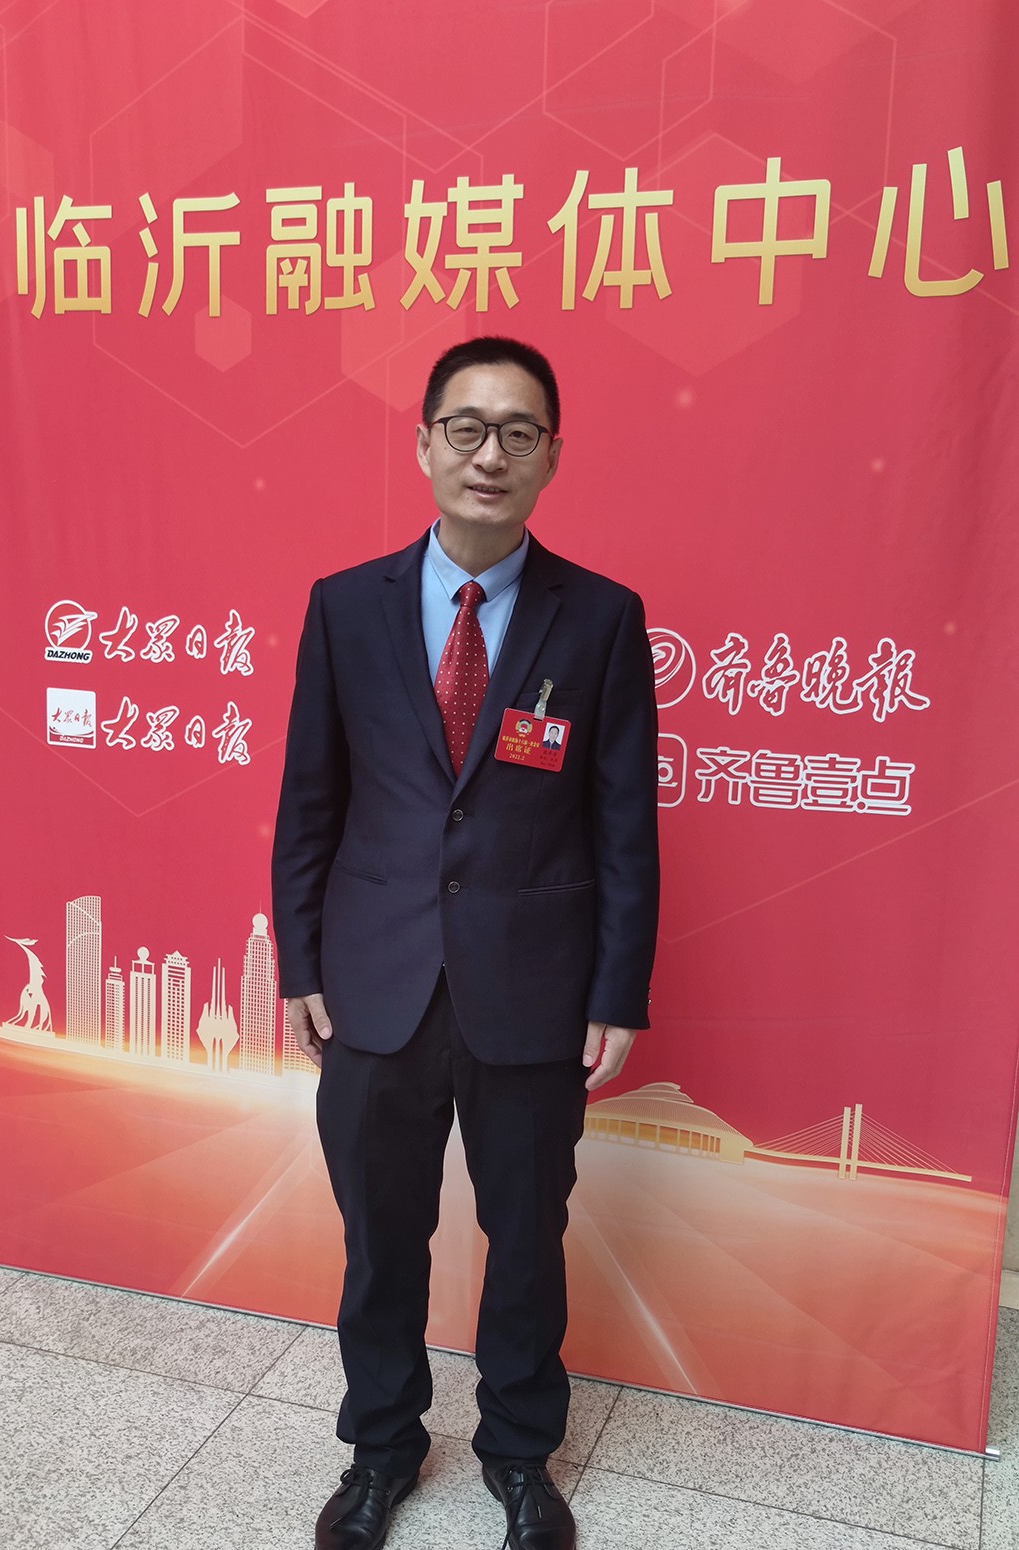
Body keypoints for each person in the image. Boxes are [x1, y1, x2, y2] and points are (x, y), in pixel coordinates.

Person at [272, 335, 659, 1550]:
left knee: (527, 1235)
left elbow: (624, 818)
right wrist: (301, 964)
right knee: (380, 1236)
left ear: (552, 455)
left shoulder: (600, 618)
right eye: (468, 427)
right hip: (376, 981)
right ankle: (382, 1447)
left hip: (533, 986)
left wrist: (616, 986)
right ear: (425, 443)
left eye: (519, 432)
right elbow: (309, 799)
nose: (491, 454)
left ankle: (519, 1454)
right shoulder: (346, 605)